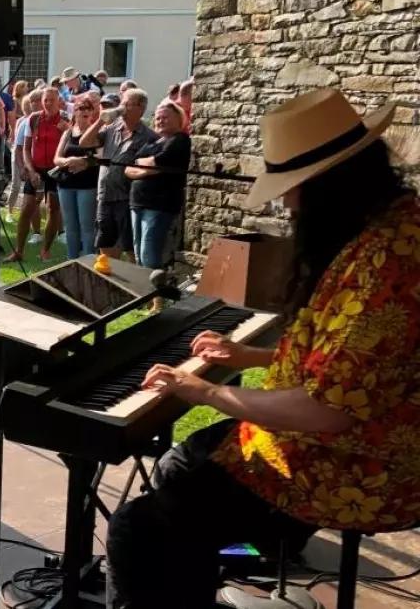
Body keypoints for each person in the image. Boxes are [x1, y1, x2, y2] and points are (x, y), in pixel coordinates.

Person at [109, 89, 420, 609]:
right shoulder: (388, 227)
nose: (287, 203)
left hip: (361, 465)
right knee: (181, 467)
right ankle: (199, 573)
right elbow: (353, 365)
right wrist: (248, 358)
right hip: (344, 437)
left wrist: (202, 390)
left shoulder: (386, 265)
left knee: (139, 530)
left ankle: (226, 555)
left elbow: (326, 409)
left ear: (329, 184)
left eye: (292, 187)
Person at [80, 88, 156, 259]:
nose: (122, 108)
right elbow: (85, 143)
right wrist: (100, 121)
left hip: (126, 198)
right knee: (105, 243)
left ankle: (133, 280)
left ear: (141, 108)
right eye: (122, 103)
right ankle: (110, 280)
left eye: (127, 104)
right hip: (105, 195)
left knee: (130, 246)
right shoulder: (113, 128)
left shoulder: (148, 136)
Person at [124, 101, 190, 269]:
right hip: (138, 202)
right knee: (138, 252)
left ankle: (155, 294)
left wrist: (143, 166)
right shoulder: (153, 142)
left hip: (159, 205)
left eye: (165, 117)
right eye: (158, 118)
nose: (160, 121)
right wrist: (147, 169)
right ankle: (146, 292)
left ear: (178, 118)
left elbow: (159, 162)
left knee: (149, 254)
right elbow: (128, 169)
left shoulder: (179, 140)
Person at [8, 87, 65, 262]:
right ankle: (19, 251)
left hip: (56, 170)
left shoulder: (65, 119)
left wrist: (66, 130)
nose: (48, 103)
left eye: (51, 100)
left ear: (58, 101)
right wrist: (30, 169)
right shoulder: (34, 119)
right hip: (37, 169)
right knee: (26, 208)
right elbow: (25, 148)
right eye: (45, 100)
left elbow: (71, 145)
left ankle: (45, 250)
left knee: (53, 208)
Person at [51, 93, 102, 260]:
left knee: (87, 226)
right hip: (66, 185)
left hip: (87, 185)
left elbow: (102, 158)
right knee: (70, 226)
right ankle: (71, 261)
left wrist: (83, 161)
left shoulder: (97, 133)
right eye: (81, 108)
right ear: (75, 112)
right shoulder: (68, 133)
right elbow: (57, 159)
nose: (84, 111)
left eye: (88, 108)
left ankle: (88, 262)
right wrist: (70, 161)